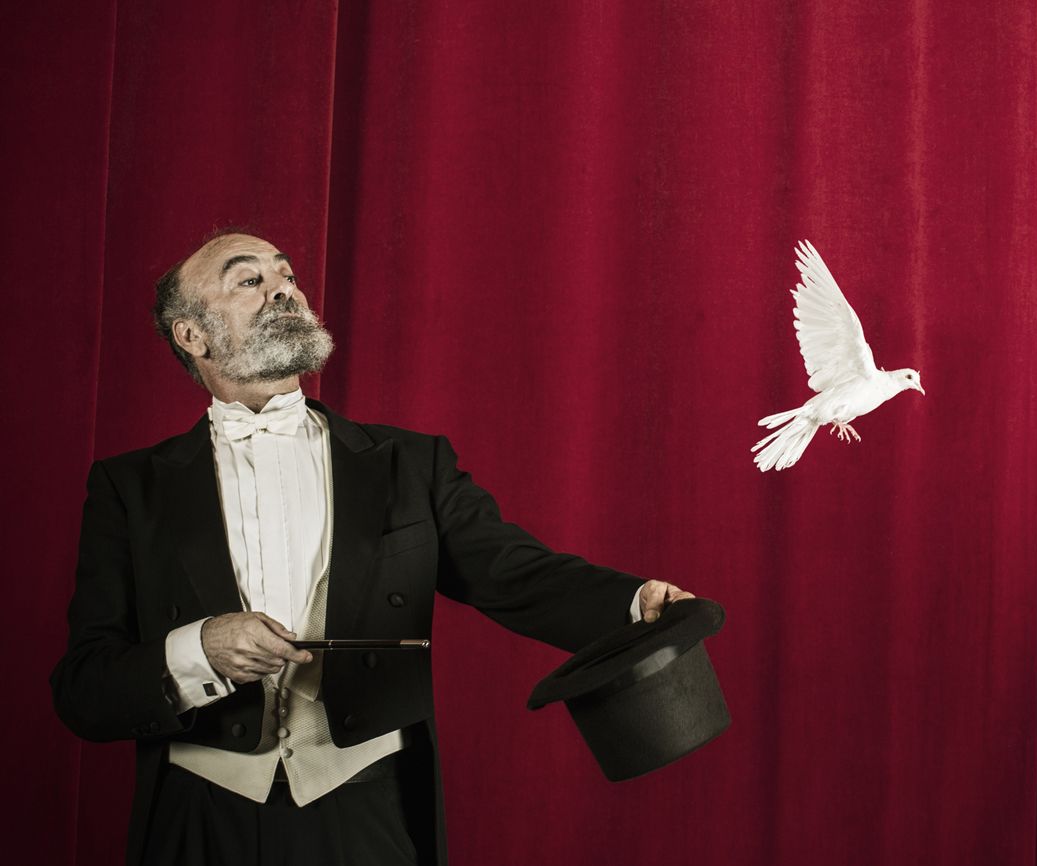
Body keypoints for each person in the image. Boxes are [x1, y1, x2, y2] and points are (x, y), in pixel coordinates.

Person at [50, 231, 693, 865]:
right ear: (191, 335)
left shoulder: (409, 464)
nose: (284, 291)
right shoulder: (130, 487)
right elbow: (85, 687)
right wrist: (198, 651)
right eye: (251, 281)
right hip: (197, 816)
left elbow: (513, 573)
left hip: (364, 812)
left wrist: (634, 603)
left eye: (287, 276)